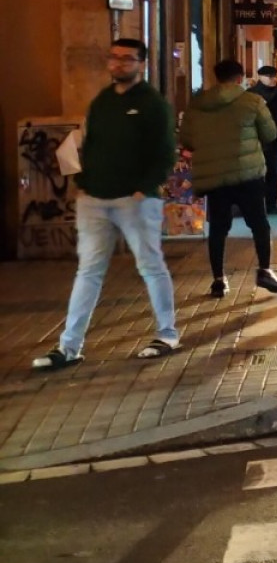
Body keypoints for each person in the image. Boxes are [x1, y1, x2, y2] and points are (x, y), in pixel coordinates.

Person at [33, 39, 180, 369]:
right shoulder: (102, 101)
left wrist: (144, 188)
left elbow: (164, 150)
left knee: (150, 266)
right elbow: (91, 144)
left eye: (127, 59)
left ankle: (167, 333)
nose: (118, 64)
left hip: (134, 200)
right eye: (114, 58)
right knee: (88, 271)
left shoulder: (152, 103)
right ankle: (69, 347)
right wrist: (83, 184)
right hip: (95, 199)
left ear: (141, 64)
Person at [181, 59, 277, 297]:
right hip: (248, 174)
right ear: (239, 78)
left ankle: (218, 279)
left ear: (216, 77)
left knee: (218, 228)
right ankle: (265, 270)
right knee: (259, 224)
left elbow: (187, 139)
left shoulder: (197, 105)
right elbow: (270, 133)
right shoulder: (253, 102)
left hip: (215, 178)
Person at [247, 64, 277, 213]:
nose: (273, 79)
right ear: (260, 77)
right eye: (270, 76)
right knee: (256, 174)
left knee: (273, 173)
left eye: (274, 76)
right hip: (256, 141)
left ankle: (271, 203)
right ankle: (257, 204)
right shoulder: (251, 94)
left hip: (275, 142)